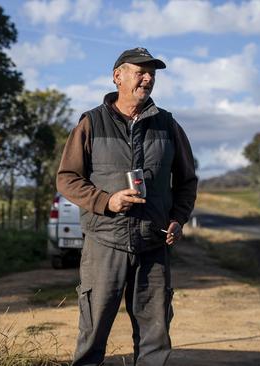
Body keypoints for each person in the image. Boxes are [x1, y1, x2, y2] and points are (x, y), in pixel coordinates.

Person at [56, 47, 198, 366]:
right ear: (118, 76)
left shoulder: (168, 125)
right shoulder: (91, 123)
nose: (147, 78)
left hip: (153, 244)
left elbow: (187, 181)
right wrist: (107, 201)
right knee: (93, 334)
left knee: (155, 337)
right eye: (140, 71)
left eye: (152, 74)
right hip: (104, 243)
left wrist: (178, 218)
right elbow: (67, 178)